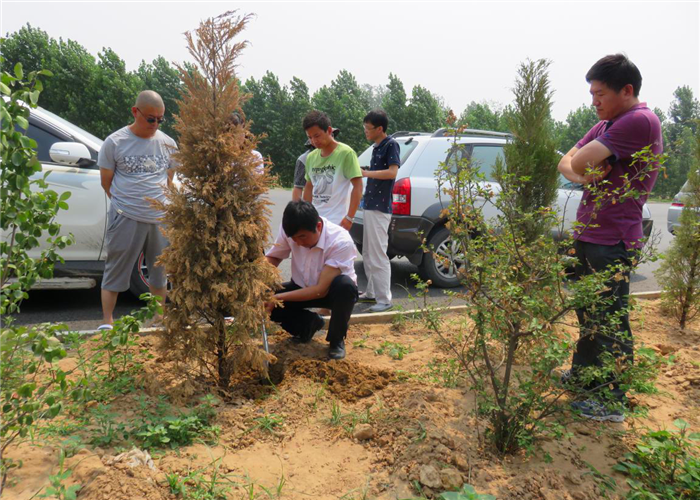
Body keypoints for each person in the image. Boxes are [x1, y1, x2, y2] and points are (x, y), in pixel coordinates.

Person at [557, 54, 663, 422]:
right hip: (592, 234)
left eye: (599, 93)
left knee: (609, 320)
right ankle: (586, 379)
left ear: (627, 90)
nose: (593, 101)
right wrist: (584, 175)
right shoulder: (609, 123)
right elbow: (567, 162)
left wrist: (581, 168)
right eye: (592, 93)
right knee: (589, 313)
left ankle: (611, 400)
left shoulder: (638, 121)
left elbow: (580, 158)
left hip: (612, 238)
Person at [98, 90, 178, 330]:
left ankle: (158, 319)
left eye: (160, 119)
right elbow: (106, 182)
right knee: (116, 269)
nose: (155, 124)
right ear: (135, 112)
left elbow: (169, 179)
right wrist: (126, 204)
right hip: (126, 217)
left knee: (159, 272)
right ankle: (107, 322)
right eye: (150, 118)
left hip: (159, 219)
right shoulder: (115, 142)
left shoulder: (168, 143)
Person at [265, 201, 358, 360]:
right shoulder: (289, 230)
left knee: (346, 287)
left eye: (302, 236)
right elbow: (274, 256)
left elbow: (320, 290)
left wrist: (277, 297)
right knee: (267, 301)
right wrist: (258, 278)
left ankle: (336, 340)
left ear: (319, 226)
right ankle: (307, 326)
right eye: (293, 239)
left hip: (331, 291)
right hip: (301, 286)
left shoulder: (340, 241)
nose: (299, 242)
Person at [358, 110, 400, 313]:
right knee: (368, 252)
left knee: (378, 254)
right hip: (370, 204)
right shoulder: (376, 147)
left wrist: (366, 173)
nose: (365, 132)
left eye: (368, 128)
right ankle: (372, 293)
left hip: (380, 207)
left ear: (379, 129)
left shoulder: (391, 144)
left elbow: (392, 172)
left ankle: (384, 299)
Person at [302, 111, 362, 230]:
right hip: (314, 221)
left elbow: (358, 186)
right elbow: (309, 187)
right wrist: (305, 215)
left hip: (337, 222)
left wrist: (349, 218)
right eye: (310, 137)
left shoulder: (346, 153)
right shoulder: (311, 157)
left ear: (329, 130)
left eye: (317, 136)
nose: (314, 141)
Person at [292, 128, 340, 202]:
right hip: (314, 206)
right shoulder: (304, 159)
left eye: (332, 135)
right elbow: (298, 187)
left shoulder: (338, 156)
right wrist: (298, 211)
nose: (332, 138)